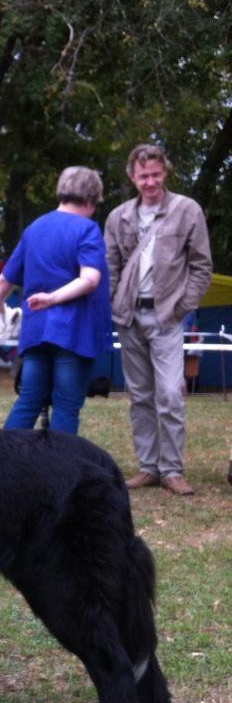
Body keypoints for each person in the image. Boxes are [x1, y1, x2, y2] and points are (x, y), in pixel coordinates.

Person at [105, 143, 212, 496]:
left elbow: (201, 266)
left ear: (165, 172)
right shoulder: (118, 216)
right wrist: (116, 304)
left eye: (155, 174)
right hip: (130, 316)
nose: (150, 181)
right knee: (140, 396)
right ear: (132, 177)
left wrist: (183, 306)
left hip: (167, 315)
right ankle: (149, 467)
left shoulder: (187, 210)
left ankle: (172, 469)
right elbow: (110, 268)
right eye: (143, 176)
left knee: (170, 393)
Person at [0, 166, 112, 435]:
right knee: (66, 406)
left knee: (29, 401)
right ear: (92, 199)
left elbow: (3, 280)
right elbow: (90, 278)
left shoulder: (34, 228)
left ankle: (0, 464)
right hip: (73, 332)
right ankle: (59, 472)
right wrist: (53, 298)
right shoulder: (88, 229)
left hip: (35, 332)